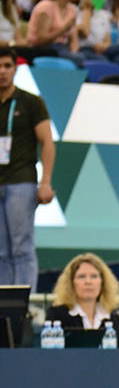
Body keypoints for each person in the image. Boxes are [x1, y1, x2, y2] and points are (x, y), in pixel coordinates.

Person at [0, 47, 54, 286]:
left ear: (15, 68)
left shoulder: (31, 102)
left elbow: (47, 143)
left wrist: (45, 182)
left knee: (21, 246)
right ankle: (3, 307)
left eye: (7, 66)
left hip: (21, 181)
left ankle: (23, 303)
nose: (2, 72)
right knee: (0, 250)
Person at [45, 253, 119, 346]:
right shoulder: (57, 315)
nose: (88, 282)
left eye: (94, 276)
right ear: (71, 283)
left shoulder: (113, 318)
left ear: (102, 282)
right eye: (81, 276)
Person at [28, 0, 86, 65]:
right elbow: (41, 39)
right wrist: (64, 29)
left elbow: (74, 40)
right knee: (80, 59)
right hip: (44, 49)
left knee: (97, 59)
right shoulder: (46, 6)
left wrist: (74, 51)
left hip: (63, 48)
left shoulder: (72, 9)